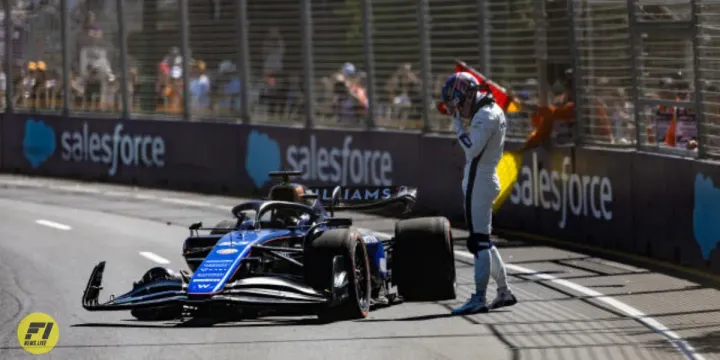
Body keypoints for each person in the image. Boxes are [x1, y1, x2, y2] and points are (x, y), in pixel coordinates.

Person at [439, 72, 518, 315]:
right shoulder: (490, 110)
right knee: (484, 239)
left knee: (478, 242)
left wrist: (456, 125)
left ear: (469, 96)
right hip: (483, 178)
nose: (458, 110)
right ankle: (503, 290)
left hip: (480, 180)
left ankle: (478, 297)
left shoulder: (485, 115)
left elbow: (472, 149)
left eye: (458, 104)